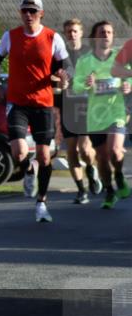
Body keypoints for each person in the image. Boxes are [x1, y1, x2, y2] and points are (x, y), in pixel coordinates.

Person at [0, 0, 71, 223]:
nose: (28, 15)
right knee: (18, 152)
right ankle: (27, 170)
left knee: (45, 157)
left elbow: (64, 67)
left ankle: (42, 203)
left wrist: (64, 77)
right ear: (20, 13)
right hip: (17, 102)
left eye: (33, 11)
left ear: (41, 13)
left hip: (43, 103)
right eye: (25, 11)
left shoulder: (52, 38)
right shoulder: (10, 36)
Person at [72, 21, 130, 208]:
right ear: (95, 37)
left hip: (116, 112)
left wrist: (128, 85)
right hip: (95, 117)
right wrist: (87, 83)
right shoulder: (85, 62)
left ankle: (119, 176)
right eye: (102, 32)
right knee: (102, 159)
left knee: (114, 150)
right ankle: (109, 191)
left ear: (113, 36)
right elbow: (76, 85)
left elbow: (129, 77)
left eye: (109, 32)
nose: (106, 35)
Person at [56, 18, 100, 204]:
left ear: (81, 33)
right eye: (68, 32)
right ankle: (81, 190)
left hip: (86, 108)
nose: (72, 34)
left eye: (75, 31)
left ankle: (91, 169)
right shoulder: (60, 56)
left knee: (85, 149)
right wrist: (60, 85)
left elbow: (101, 77)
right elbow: (55, 85)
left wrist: (94, 82)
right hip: (67, 109)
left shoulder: (90, 54)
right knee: (72, 151)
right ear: (65, 34)